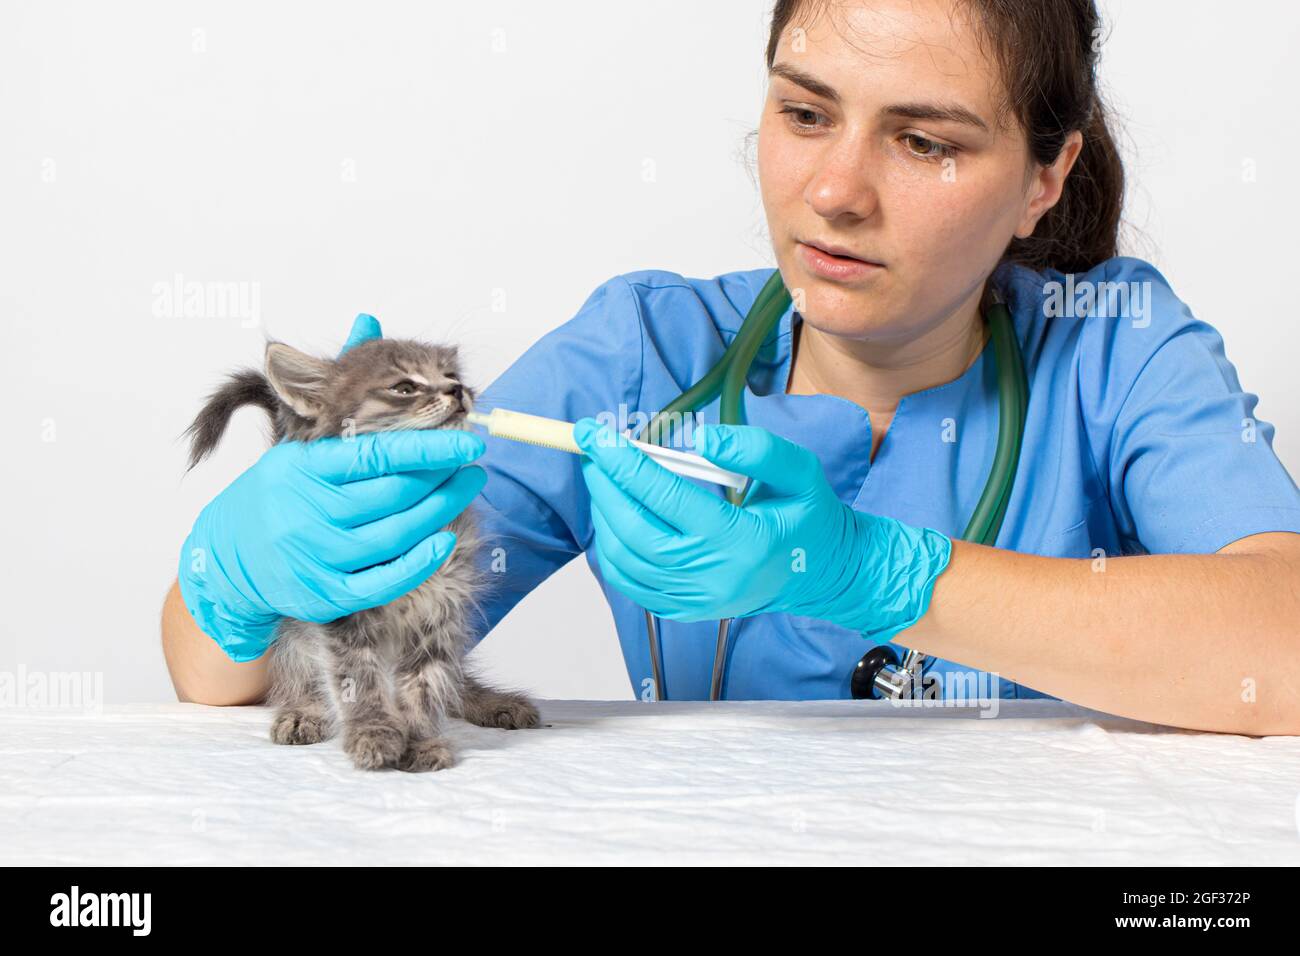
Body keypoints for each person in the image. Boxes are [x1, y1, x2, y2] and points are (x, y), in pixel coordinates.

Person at [162, 0, 1300, 734]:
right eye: (805, 112)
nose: (836, 191)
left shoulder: (1116, 344)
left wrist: (870, 570)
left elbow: (1284, 648)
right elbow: (231, 682)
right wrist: (238, 574)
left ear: (1045, 176)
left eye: (923, 140)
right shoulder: (642, 352)